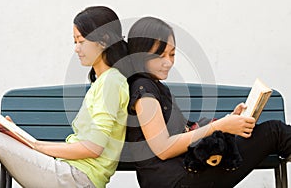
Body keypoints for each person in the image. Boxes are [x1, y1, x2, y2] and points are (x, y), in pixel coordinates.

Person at [124, 16, 291, 188]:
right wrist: (219, 127)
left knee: (273, 132)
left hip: (184, 172)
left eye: (172, 54)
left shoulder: (155, 86)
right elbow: (163, 148)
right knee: (273, 132)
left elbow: (185, 132)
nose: (168, 62)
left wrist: (229, 121)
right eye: (160, 55)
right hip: (175, 181)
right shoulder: (143, 91)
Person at [0, 6, 129, 188]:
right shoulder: (105, 81)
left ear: (103, 41)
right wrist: (15, 134)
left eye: (81, 41)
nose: (76, 49)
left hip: (76, 178)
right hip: (69, 173)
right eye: (75, 42)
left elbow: (93, 148)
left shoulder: (111, 82)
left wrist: (36, 146)